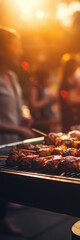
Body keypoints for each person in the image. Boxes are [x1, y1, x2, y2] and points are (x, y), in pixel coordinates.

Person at [0, 26, 35, 235]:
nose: (19, 51)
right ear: (2, 50)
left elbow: (20, 104)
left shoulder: (12, 76)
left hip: (10, 146)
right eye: (15, 46)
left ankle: (3, 219)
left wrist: (25, 113)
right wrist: (18, 130)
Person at [59, 54, 80, 132]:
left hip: (77, 117)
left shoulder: (73, 81)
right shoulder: (65, 83)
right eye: (76, 65)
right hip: (69, 118)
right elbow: (71, 100)